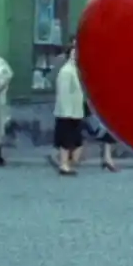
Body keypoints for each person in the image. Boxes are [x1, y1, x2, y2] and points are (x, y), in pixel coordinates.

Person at [53, 45, 85, 175]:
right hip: (67, 113)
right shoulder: (66, 71)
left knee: (76, 142)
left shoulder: (76, 70)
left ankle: (66, 163)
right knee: (66, 141)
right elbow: (63, 93)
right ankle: (63, 164)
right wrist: (66, 113)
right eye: (73, 53)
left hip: (75, 111)